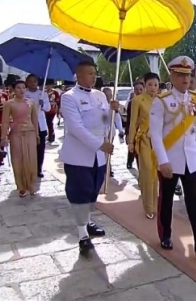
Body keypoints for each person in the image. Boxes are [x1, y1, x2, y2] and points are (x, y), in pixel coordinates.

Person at [150, 55, 196, 258]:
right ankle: (165, 235)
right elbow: (155, 133)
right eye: (180, 75)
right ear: (172, 75)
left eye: (188, 75)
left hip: (191, 160)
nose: (185, 79)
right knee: (167, 200)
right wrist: (162, 160)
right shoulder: (162, 101)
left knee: (194, 202)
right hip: (170, 159)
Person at [59, 60, 118, 255]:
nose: (93, 76)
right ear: (79, 75)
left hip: (99, 157)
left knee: (93, 191)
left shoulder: (100, 96)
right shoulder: (69, 97)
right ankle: (82, 234)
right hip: (78, 155)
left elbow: (105, 122)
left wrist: (113, 111)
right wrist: (99, 144)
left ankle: (88, 221)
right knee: (80, 193)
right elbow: (76, 128)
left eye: (94, 73)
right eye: (89, 73)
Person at [128, 72, 160, 219]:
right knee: (147, 172)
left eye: (155, 85)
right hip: (144, 140)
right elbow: (133, 122)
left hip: (159, 141)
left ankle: (156, 204)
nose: (153, 88)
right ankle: (148, 207)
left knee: (156, 174)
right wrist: (131, 142)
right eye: (150, 85)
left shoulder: (161, 100)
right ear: (145, 85)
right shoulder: (138, 100)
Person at [0, 80, 39, 197]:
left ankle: (31, 185)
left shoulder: (31, 102)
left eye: (23, 87)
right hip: (16, 134)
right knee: (18, 160)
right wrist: (3, 137)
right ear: (13, 89)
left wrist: (36, 134)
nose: (21, 90)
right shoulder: (8, 104)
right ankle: (21, 186)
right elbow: (5, 121)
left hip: (30, 133)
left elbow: (35, 120)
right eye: (18, 88)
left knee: (32, 159)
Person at [25, 74, 51, 178]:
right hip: (28, 123)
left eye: (34, 81)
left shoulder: (42, 94)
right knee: (29, 147)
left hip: (40, 124)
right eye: (30, 81)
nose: (32, 83)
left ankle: (39, 168)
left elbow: (48, 108)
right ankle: (29, 167)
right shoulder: (24, 93)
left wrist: (43, 103)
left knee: (40, 148)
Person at [102, 87, 125, 178]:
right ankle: (105, 167)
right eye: (106, 95)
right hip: (100, 132)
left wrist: (120, 130)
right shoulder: (101, 104)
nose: (108, 97)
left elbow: (117, 119)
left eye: (110, 95)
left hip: (110, 132)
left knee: (108, 151)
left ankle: (108, 167)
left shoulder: (113, 105)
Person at [45, 79, 60, 145]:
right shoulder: (43, 92)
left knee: (50, 122)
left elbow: (58, 101)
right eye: (47, 85)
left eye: (50, 85)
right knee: (47, 123)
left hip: (52, 110)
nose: (48, 86)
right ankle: (48, 134)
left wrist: (58, 109)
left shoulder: (55, 93)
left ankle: (51, 134)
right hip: (45, 110)